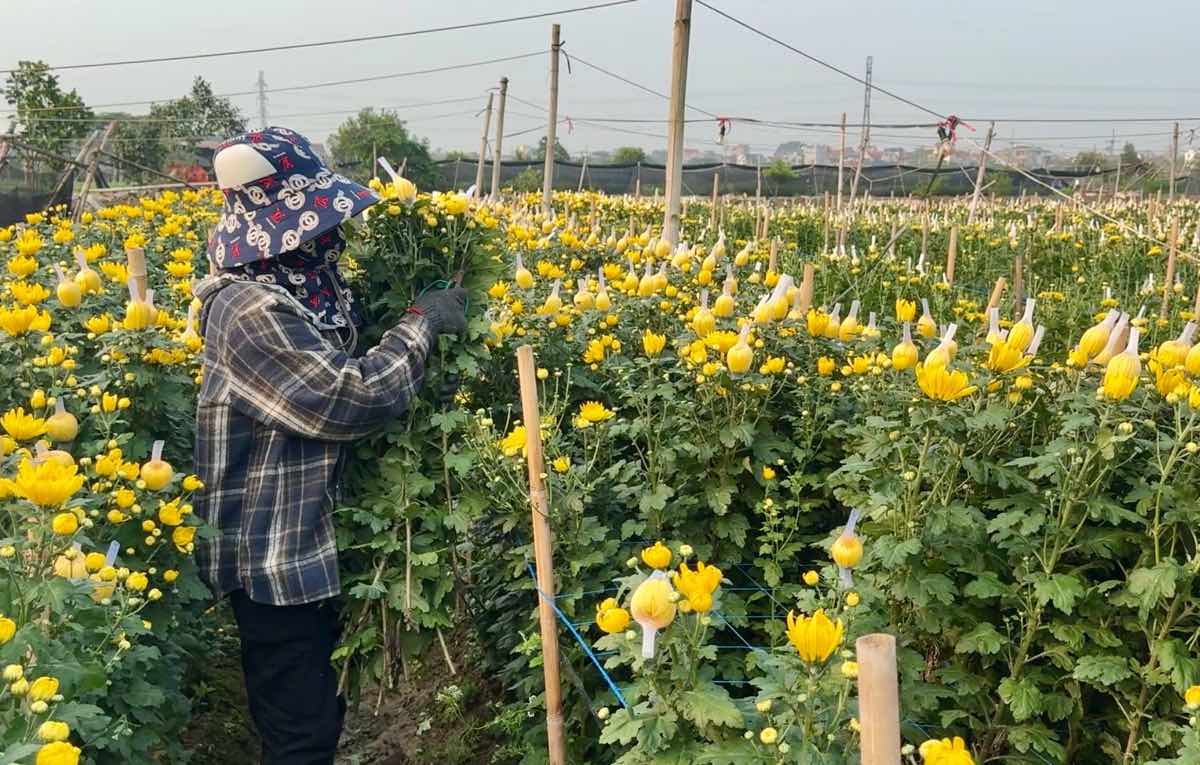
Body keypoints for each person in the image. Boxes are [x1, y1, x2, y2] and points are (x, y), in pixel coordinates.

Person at [192, 126, 467, 764]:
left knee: (318, 714)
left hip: (308, 544)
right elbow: (348, 399)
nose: (332, 238)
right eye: (318, 224)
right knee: (300, 735)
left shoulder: (304, 290)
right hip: (272, 560)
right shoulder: (249, 309)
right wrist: (419, 325)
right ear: (287, 229)